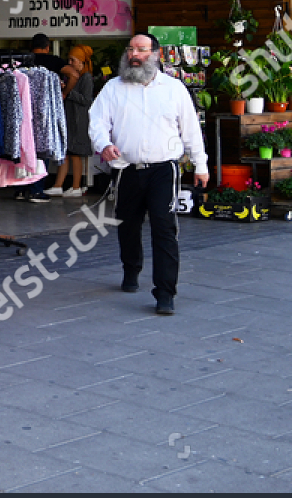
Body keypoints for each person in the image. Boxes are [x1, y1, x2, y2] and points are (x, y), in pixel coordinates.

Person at [88, 33, 209, 315]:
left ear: (156, 54)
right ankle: (131, 270)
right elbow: (97, 122)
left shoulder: (174, 88)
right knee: (127, 225)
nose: (135, 54)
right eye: (131, 49)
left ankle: (165, 293)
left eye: (141, 49)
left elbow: (190, 129)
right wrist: (103, 144)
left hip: (163, 170)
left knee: (164, 228)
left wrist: (200, 164)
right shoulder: (113, 88)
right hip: (126, 169)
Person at [17, 33, 68, 203]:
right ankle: (36, 189)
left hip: (22, 109)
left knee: (23, 147)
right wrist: (63, 94)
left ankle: (21, 188)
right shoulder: (54, 61)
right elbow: (73, 74)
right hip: (44, 112)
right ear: (47, 47)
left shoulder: (23, 61)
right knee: (42, 148)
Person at [45, 44, 94, 197]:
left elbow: (86, 100)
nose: (70, 64)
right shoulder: (77, 77)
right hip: (70, 118)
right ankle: (59, 185)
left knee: (75, 154)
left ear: (81, 61)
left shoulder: (86, 78)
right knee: (65, 153)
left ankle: (76, 186)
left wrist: (68, 91)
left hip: (79, 121)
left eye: (73, 60)